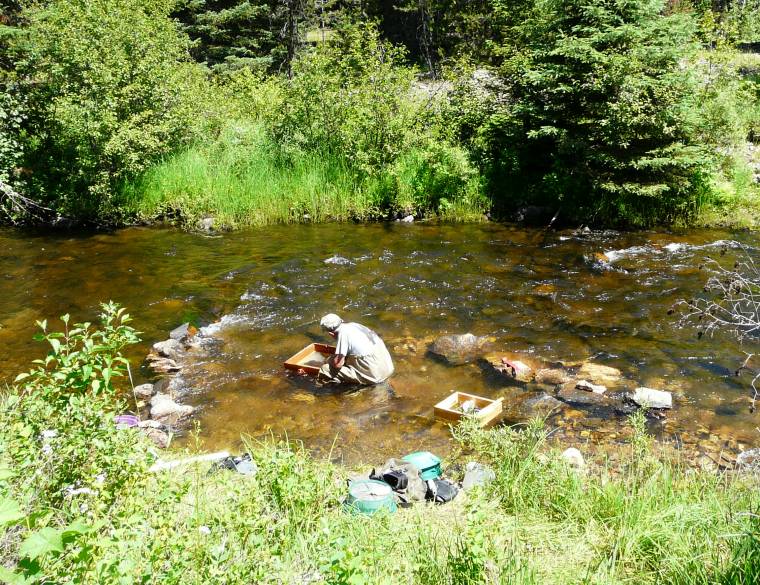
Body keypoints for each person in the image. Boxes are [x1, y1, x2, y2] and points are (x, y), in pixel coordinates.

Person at [317, 314, 394, 384]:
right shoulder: (355, 325)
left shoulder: (342, 334)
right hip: (388, 367)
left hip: (377, 376)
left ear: (331, 334)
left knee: (325, 369)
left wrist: (328, 360)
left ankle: (322, 391)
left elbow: (338, 364)